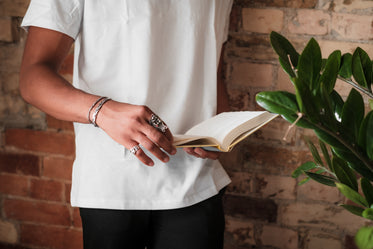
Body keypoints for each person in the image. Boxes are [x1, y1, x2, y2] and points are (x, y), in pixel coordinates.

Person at [20, 1, 233, 248]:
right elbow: (32, 77)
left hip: (197, 182)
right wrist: (102, 111)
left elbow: (209, 69)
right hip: (112, 186)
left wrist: (220, 130)